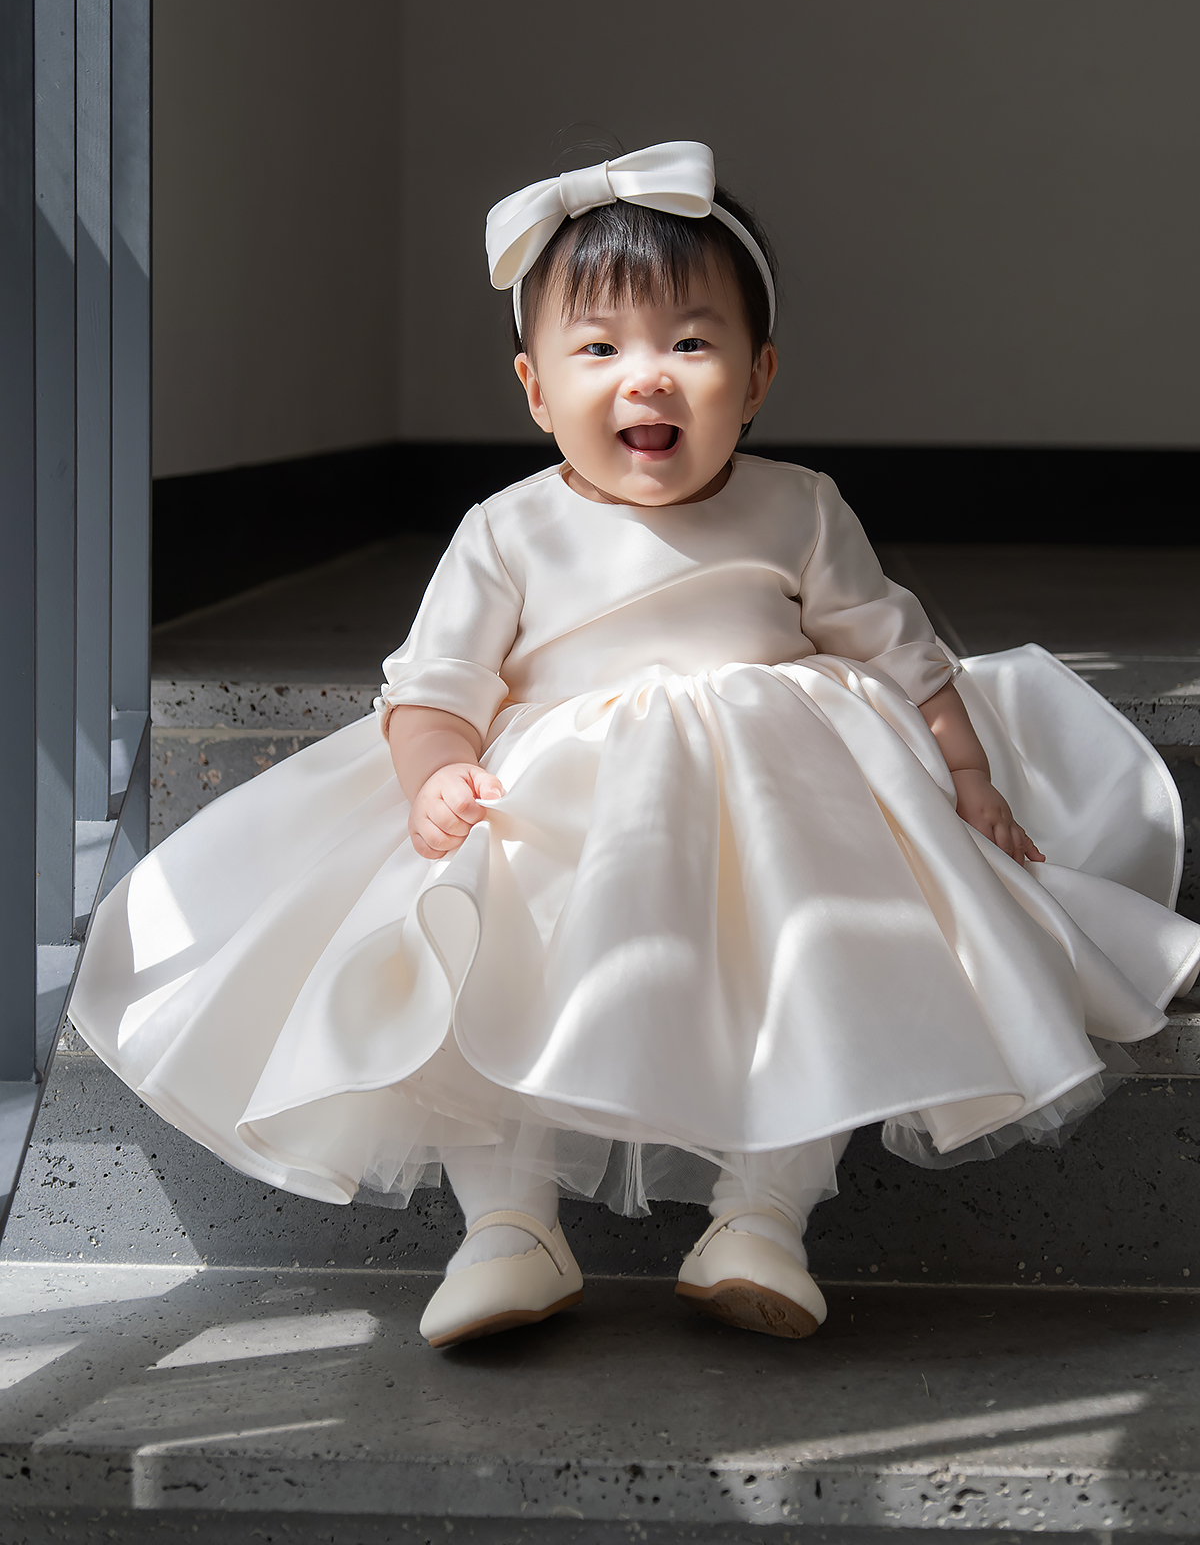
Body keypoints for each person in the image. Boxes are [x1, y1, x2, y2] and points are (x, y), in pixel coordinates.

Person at [72, 141, 1199, 1351]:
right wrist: (436, 776)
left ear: (758, 377)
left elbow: (902, 656)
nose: (646, 377)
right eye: (599, 349)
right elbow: (433, 688)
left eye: (691, 344)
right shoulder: (507, 531)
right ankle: (508, 1228)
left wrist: (968, 780)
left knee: (820, 981)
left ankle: (762, 1218)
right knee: (484, 971)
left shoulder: (800, 508)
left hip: (779, 824)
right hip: (565, 824)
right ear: (535, 388)